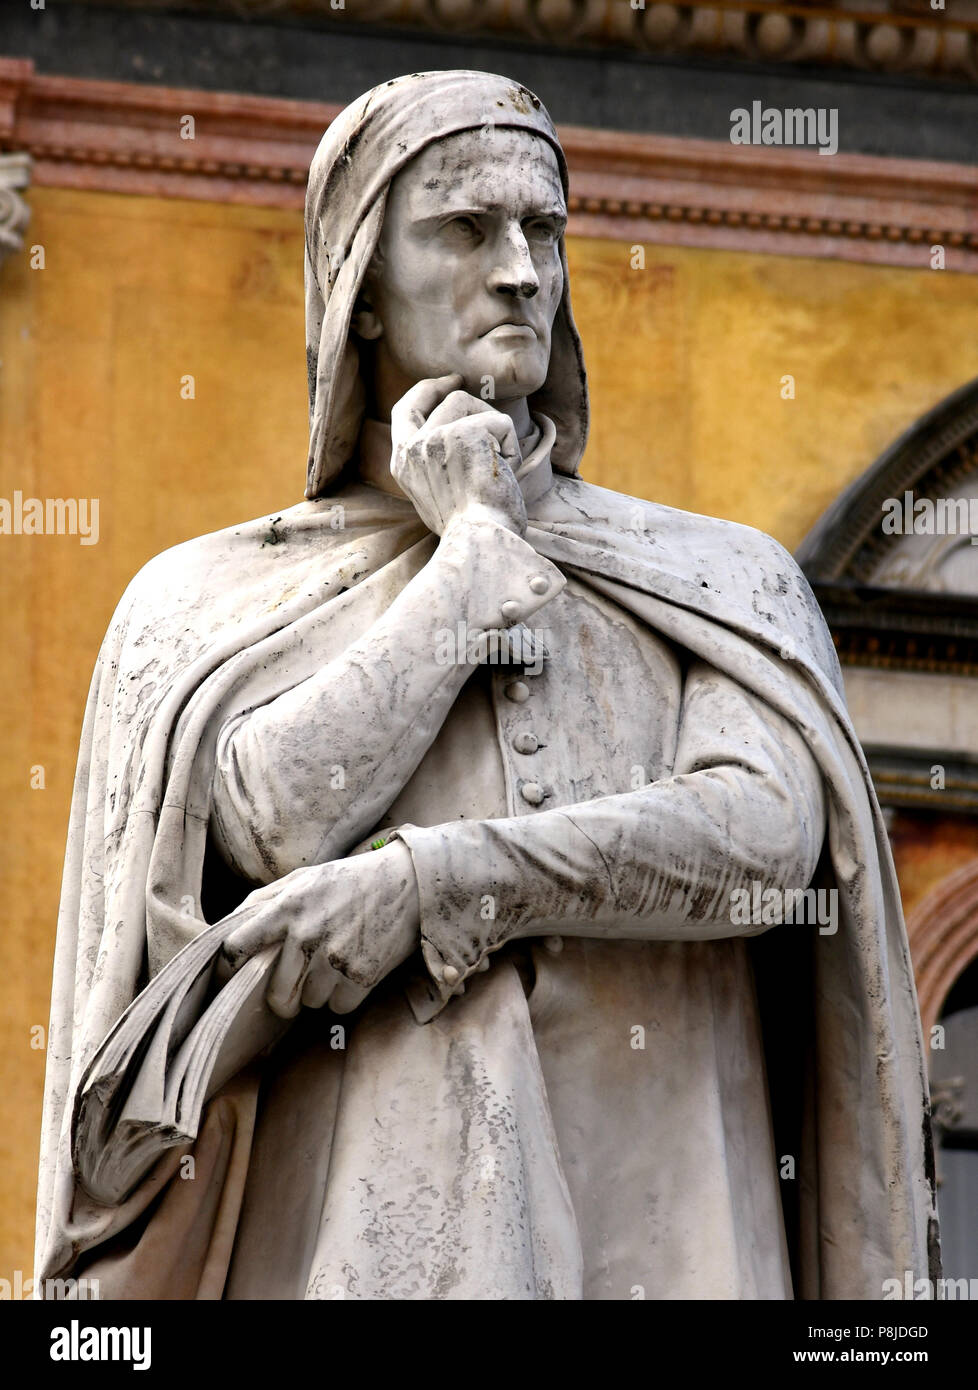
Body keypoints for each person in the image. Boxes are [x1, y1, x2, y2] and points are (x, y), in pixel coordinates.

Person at [36, 70, 938, 1300]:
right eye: (465, 229)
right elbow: (274, 818)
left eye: (544, 230)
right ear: (358, 285)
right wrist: (467, 564)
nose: (519, 268)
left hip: (673, 1247)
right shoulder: (205, 602)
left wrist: (435, 881)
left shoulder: (719, 576)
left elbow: (765, 839)